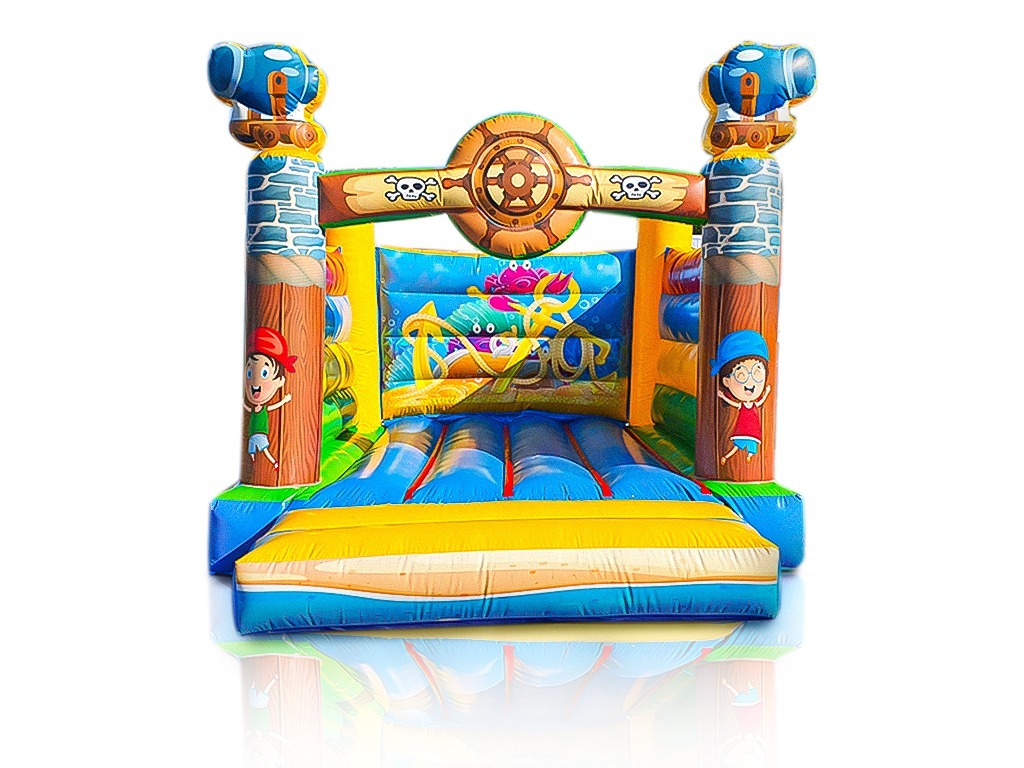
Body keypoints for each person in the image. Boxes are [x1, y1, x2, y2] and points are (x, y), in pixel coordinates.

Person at [710, 330, 771, 465]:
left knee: (749, 444)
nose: (750, 384)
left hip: (751, 429)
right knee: (738, 444)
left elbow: (761, 401)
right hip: (743, 428)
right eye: (741, 375)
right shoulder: (741, 405)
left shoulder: (753, 403)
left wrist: (767, 392)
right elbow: (733, 403)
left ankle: (747, 456)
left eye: (757, 373)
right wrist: (722, 396)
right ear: (726, 381)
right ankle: (728, 457)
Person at [243, 326, 296, 471]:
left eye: (264, 373)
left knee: (264, 450)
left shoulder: (264, 408)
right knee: (252, 450)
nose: (255, 383)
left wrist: (285, 400)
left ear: (280, 381)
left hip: (260, 433)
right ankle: (254, 464)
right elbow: (247, 407)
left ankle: (274, 463)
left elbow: (273, 407)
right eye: (249, 373)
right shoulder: (253, 408)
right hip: (252, 434)